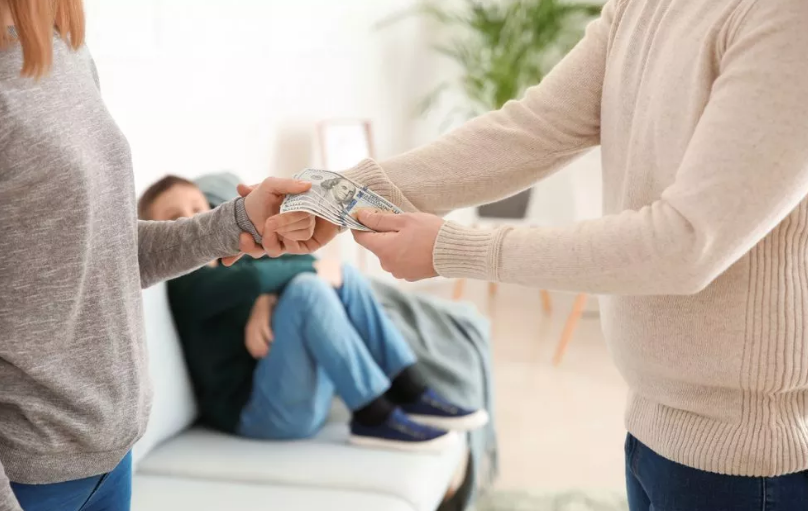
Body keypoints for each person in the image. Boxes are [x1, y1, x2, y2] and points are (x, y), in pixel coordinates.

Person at [251, 0, 808, 509]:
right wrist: (337, 194)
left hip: (750, 464)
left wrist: (454, 249)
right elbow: (534, 130)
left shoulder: (787, 20)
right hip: (652, 425)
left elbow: (685, 243)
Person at [0, 3, 314, 511]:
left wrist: (237, 222)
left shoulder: (66, 53)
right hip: (29, 477)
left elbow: (106, 251)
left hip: (112, 450)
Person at [138, 176, 488, 452]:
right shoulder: (184, 283)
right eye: (174, 219)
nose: (191, 220)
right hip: (260, 415)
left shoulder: (234, 258)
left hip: (296, 392)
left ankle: (408, 388)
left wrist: (269, 300)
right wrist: (284, 282)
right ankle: (372, 415)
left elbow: (265, 274)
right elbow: (255, 278)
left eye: (198, 207)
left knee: (343, 275)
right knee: (310, 287)